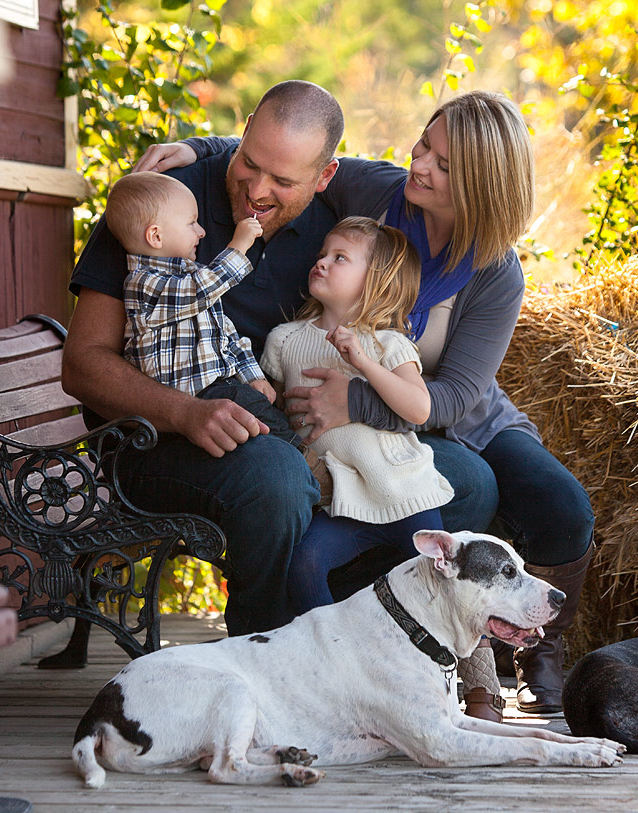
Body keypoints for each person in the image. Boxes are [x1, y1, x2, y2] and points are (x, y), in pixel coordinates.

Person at [135, 90, 596, 719]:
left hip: (462, 414)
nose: (420, 162)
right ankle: (360, 657)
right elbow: (287, 160)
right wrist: (197, 148)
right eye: (424, 143)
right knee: (449, 492)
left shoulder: (495, 272)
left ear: (482, 186)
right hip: (383, 419)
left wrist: (355, 401)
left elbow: (457, 396)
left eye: (443, 163)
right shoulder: (381, 193)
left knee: (562, 505)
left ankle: (538, 658)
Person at [64, 81, 495, 643]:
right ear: (241, 134)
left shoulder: (329, 228)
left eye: (283, 181)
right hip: (155, 438)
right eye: (248, 162)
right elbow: (83, 363)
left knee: (467, 481)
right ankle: (266, 651)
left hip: (285, 428)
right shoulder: (161, 204)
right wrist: (184, 413)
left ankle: (360, 639)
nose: (256, 191)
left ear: (324, 178)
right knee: (278, 477)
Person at [262, 217, 453, 613]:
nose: (323, 262)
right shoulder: (285, 339)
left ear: (376, 280)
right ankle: (333, 660)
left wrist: (363, 363)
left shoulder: (387, 343)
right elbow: (278, 408)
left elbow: (419, 408)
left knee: (441, 582)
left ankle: (468, 668)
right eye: (322, 254)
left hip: (405, 492)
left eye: (340, 257)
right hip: (344, 499)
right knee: (305, 565)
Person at [107, 171, 294, 444]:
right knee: (264, 421)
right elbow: (202, 289)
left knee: (260, 412)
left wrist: (253, 377)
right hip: (192, 398)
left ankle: (297, 459)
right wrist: (239, 245)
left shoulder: (195, 278)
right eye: (192, 223)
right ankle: (307, 463)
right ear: (156, 236)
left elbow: (227, 335)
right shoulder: (145, 286)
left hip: (221, 389)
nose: (201, 231)